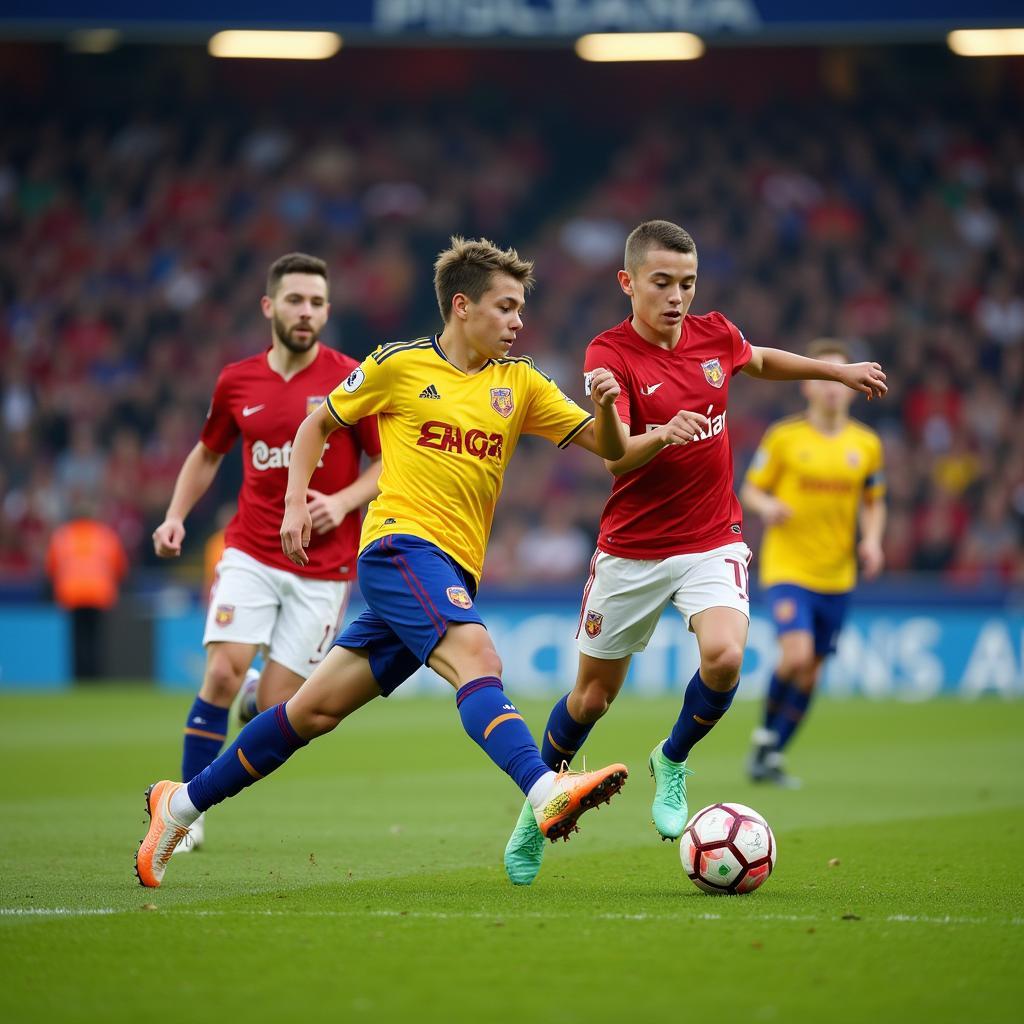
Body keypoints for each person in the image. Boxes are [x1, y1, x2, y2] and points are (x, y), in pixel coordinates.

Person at [135, 236, 631, 888]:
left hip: (454, 569)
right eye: (505, 307)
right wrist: (293, 508)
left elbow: (615, 450)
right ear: (462, 306)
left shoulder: (523, 382)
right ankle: (544, 791)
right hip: (400, 548)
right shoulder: (398, 365)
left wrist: (617, 412)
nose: (518, 321)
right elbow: (317, 426)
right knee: (477, 658)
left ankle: (180, 804)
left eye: (521, 309)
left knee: (309, 711)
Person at [503, 220, 887, 885]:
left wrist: (837, 371)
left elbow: (760, 360)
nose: (676, 296)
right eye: (661, 283)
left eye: (686, 283)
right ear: (628, 283)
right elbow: (617, 457)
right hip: (631, 548)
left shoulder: (714, 334)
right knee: (591, 698)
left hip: (712, 537)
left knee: (726, 654)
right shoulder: (608, 355)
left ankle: (672, 759)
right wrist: (659, 433)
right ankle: (536, 809)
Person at [150, 252, 382, 851]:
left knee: (279, 707)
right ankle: (186, 808)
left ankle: (259, 693)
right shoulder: (236, 381)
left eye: (316, 303)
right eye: (295, 300)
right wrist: (176, 516)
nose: (306, 313)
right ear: (269, 306)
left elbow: (389, 462)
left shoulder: (351, 378)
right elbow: (207, 455)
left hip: (324, 565)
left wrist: (347, 499)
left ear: (328, 311)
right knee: (222, 671)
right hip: (251, 549)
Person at [742, 338, 887, 787]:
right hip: (788, 568)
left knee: (812, 670)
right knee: (797, 655)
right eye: (823, 378)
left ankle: (772, 753)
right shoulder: (784, 438)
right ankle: (765, 735)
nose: (831, 389)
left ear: (850, 387)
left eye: (839, 378)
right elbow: (750, 489)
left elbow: (874, 500)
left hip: (837, 574)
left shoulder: (866, 445)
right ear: (808, 385)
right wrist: (767, 509)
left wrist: (873, 541)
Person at [45, 501, 129, 680]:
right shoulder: (106, 535)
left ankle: (79, 677)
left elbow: (51, 567)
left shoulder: (62, 536)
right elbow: (120, 567)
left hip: (71, 594)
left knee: (77, 639)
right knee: (95, 639)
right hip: (99, 594)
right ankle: (94, 677)